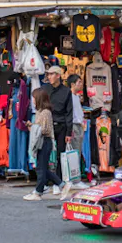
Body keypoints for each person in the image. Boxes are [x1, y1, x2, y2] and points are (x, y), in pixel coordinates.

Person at [24, 88, 70, 202]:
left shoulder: (45, 112)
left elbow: (44, 129)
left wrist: (33, 127)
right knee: (42, 168)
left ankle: (38, 192)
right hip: (42, 141)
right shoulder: (41, 111)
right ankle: (62, 185)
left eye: (34, 98)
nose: (33, 101)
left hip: (44, 141)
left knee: (41, 168)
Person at [44, 65, 73, 193]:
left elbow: (69, 112)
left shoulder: (66, 91)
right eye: (48, 74)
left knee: (60, 155)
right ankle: (44, 182)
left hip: (61, 125)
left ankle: (58, 181)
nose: (49, 77)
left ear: (58, 75)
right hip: (47, 125)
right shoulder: (45, 89)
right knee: (44, 154)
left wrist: (69, 131)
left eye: (51, 74)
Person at [67, 74, 86, 184]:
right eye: (79, 82)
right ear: (73, 84)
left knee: (77, 152)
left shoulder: (76, 96)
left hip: (78, 125)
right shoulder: (69, 96)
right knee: (74, 153)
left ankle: (75, 179)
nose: (81, 84)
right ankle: (75, 180)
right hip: (73, 126)